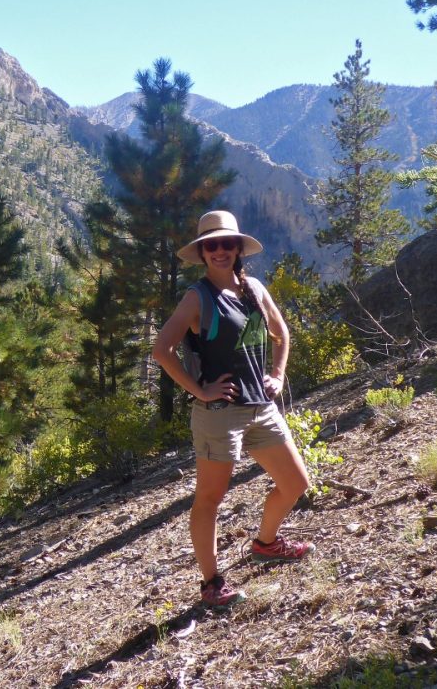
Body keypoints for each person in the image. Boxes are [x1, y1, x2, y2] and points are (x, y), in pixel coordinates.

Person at [151, 210, 313, 609]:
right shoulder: (197, 297)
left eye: (227, 244)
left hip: (261, 406)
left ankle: (267, 543)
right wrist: (200, 391)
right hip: (220, 415)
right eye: (211, 245)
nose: (220, 251)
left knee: (295, 484)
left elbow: (281, 332)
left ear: (238, 249)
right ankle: (211, 584)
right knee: (210, 498)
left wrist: (277, 372)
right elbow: (162, 350)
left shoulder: (254, 288)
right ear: (202, 253)